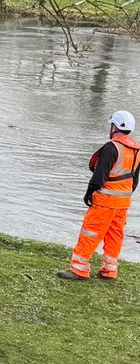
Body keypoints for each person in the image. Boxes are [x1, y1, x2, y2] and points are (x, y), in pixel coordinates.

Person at [57, 110, 140, 281]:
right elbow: (134, 179)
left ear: (114, 126)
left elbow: (100, 174)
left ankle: (79, 270)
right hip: (123, 202)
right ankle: (109, 271)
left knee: (90, 232)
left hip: (105, 200)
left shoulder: (112, 147)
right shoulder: (136, 149)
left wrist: (90, 192)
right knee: (115, 235)